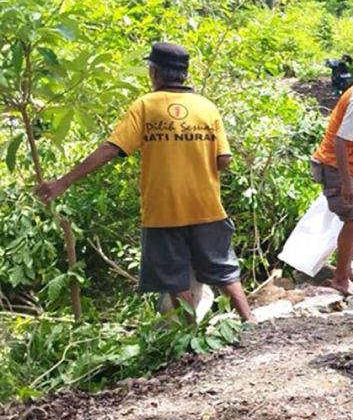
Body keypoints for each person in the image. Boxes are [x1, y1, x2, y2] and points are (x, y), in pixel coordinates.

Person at [34, 42, 254, 322]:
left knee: (175, 278)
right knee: (222, 268)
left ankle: (191, 336)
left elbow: (111, 148)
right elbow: (224, 160)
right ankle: (250, 321)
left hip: (163, 210)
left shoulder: (145, 106)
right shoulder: (206, 107)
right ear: (184, 74)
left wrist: (63, 182)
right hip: (206, 206)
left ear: (154, 72)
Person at [310, 56, 353, 295]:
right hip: (336, 167)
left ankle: (345, 269)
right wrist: (348, 185)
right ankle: (339, 278)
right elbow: (340, 142)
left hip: (352, 168)